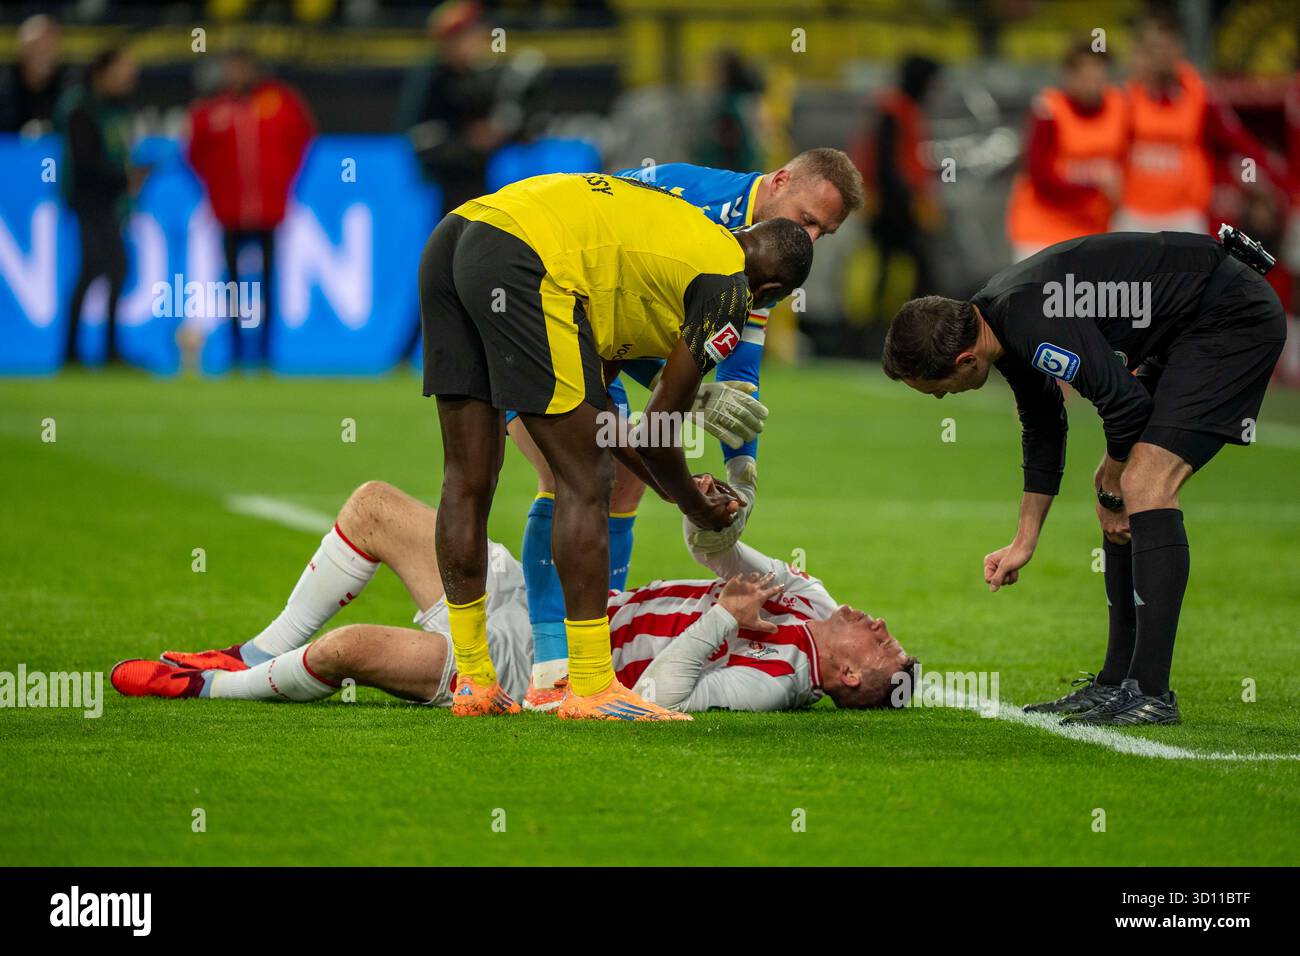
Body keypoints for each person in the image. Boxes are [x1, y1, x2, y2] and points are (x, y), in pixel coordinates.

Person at [421, 171, 813, 719]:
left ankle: (475, 682)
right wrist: (696, 505)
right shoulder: (728, 289)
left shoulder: (663, 252)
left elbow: (602, 418)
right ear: (768, 293)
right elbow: (659, 431)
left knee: (467, 475)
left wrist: (672, 488)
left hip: (457, 234)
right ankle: (589, 686)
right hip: (522, 256)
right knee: (587, 482)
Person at [881, 230, 1286, 725]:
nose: (944, 399)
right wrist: (1023, 541)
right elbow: (1045, 426)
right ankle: (1117, 683)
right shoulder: (997, 321)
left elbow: (1124, 403)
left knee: (1143, 484)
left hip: (1230, 316)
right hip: (1188, 321)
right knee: (1119, 484)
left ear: (965, 360)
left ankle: (1152, 694)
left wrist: (1112, 484)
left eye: (939, 390)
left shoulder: (1028, 319)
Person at [510, 149, 865, 710]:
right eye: (809, 220)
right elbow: (611, 296)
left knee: (623, 480)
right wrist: (690, 390)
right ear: (779, 181)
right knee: (576, 470)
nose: (813, 239)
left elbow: (740, 373)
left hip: (599, 337)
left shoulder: (767, 249)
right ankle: (551, 663)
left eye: (826, 232)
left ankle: (595, 638)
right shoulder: (696, 206)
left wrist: (742, 471)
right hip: (545, 303)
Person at [109, 478, 916, 714]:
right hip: (551, 601)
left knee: (347, 652)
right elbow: (713, 549)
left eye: (883, 647)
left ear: (848, 680)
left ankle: (210, 685)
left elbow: (664, 698)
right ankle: (249, 653)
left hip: (535, 667)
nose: (878, 624)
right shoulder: (812, 597)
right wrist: (716, 514)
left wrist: (720, 617)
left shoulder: (776, 683)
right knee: (375, 506)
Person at [187, 49, 315, 368]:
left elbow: (302, 137)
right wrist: (216, 187)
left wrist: (282, 178)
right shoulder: (212, 108)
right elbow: (194, 152)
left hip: (269, 211)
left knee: (268, 282)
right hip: (229, 212)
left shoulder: (278, 102)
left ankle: (265, 352)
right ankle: (234, 350)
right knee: (231, 284)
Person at [1115, 10, 1291, 234]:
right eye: (1154, 48)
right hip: (1134, 213)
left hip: (1184, 215)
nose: (1161, 55)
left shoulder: (1200, 95)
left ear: (1179, 48)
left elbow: (1239, 141)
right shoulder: (1127, 97)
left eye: (1166, 46)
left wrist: (1284, 184)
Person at [55, 46, 139, 366]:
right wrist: (125, 181)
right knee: (112, 267)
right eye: (124, 69)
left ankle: (77, 351)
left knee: (93, 271)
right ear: (103, 71)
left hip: (107, 202)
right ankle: (103, 351)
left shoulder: (115, 107)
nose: (130, 77)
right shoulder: (81, 107)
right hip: (89, 202)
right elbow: (86, 165)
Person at [1006, 41, 1127, 261]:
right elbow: (1040, 174)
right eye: (1085, 74)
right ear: (1068, 75)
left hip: (1092, 231)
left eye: (1098, 74)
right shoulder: (1049, 109)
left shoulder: (1119, 105)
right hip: (1042, 229)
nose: (1092, 83)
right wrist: (1093, 187)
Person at [854, 54, 942, 320]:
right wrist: (906, 202)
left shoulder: (898, 109)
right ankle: (913, 324)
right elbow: (887, 165)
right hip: (893, 206)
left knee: (889, 265)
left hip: (892, 203)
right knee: (917, 266)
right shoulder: (895, 111)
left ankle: (874, 327)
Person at [0, 14, 65, 134]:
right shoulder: (4, 86)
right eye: (36, 48)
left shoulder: (68, 89)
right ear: (21, 50)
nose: (42, 55)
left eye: (48, 48)